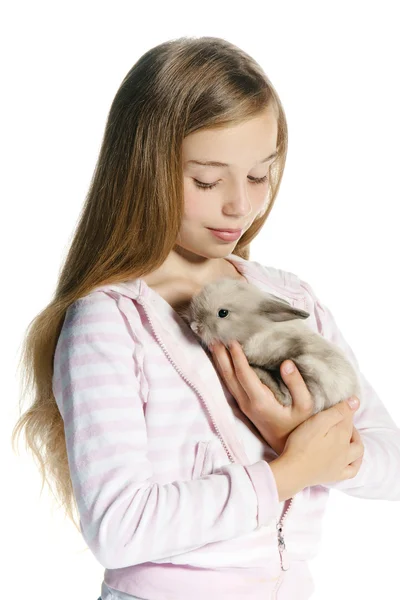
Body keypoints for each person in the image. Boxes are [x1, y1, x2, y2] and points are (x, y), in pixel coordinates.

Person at [11, 36, 400, 600]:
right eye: (207, 181)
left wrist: (301, 436)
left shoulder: (290, 298)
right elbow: (120, 529)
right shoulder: (110, 322)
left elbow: (389, 457)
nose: (240, 205)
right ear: (143, 170)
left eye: (261, 175)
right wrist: (291, 469)